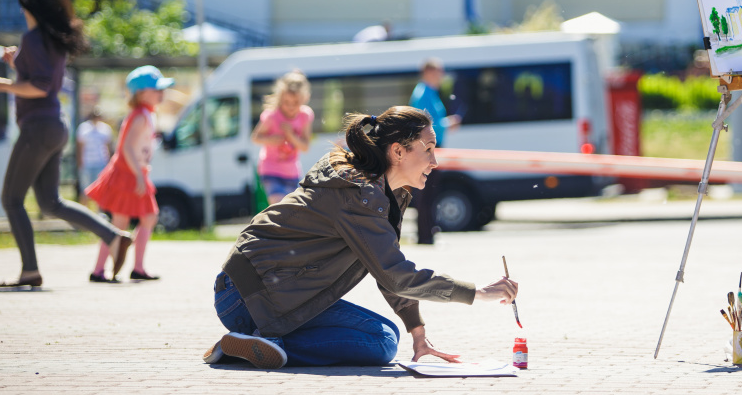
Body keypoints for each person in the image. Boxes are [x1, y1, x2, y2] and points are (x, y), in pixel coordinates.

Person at [203, 105, 517, 369]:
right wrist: (477, 293)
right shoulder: (360, 194)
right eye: (428, 149)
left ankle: (249, 344)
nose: (435, 162)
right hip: (248, 296)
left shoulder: (383, 192)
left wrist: (418, 333)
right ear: (398, 151)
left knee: (386, 335)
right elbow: (395, 275)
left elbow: (385, 265)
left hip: (267, 289)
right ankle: (260, 343)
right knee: (380, 343)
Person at [0, 0, 132, 290]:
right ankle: (113, 237)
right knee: (50, 202)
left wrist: (2, 84)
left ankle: (30, 271)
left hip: (38, 128)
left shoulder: (35, 38)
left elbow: (40, 86)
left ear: (26, 4)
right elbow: (40, 75)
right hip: (53, 126)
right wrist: (16, 62)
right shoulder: (52, 38)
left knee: (11, 199)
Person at [85, 66, 173, 282]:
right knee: (127, 222)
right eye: (156, 89)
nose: (161, 93)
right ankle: (105, 270)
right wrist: (139, 175)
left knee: (138, 220)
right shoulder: (140, 116)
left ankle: (123, 268)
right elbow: (126, 147)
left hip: (133, 172)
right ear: (141, 93)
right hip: (128, 174)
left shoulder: (146, 114)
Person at [408, 58, 462, 243]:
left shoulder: (429, 92)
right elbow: (426, 125)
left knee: (430, 190)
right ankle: (425, 234)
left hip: (431, 147)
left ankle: (427, 232)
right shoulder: (423, 93)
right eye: (439, 71)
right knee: (426, 190)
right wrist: (448, 124)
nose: (442, 75)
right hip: (428, 148)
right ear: (429, 72)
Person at [250, 70, 314, 205]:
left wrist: (291, 135)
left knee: (294, 208)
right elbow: (255, 137)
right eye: (286, 102)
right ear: (280, 98)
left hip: (292, 172)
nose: (290, 106)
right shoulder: (271, 116)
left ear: (304, 99)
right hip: (270, 170)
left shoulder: (305, 115)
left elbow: (305, 146)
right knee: (278, 203)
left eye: (295, 102)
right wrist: (270, 140)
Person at [76, 106, 115, 198]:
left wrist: (110, 163)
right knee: (85, 190)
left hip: (101, 163)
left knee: (101, 190)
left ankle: (98, 208)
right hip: (87, 163)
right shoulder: (84, 128)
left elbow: (109, 147)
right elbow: (80, 147)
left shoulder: (106, 129)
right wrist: (80, 163)